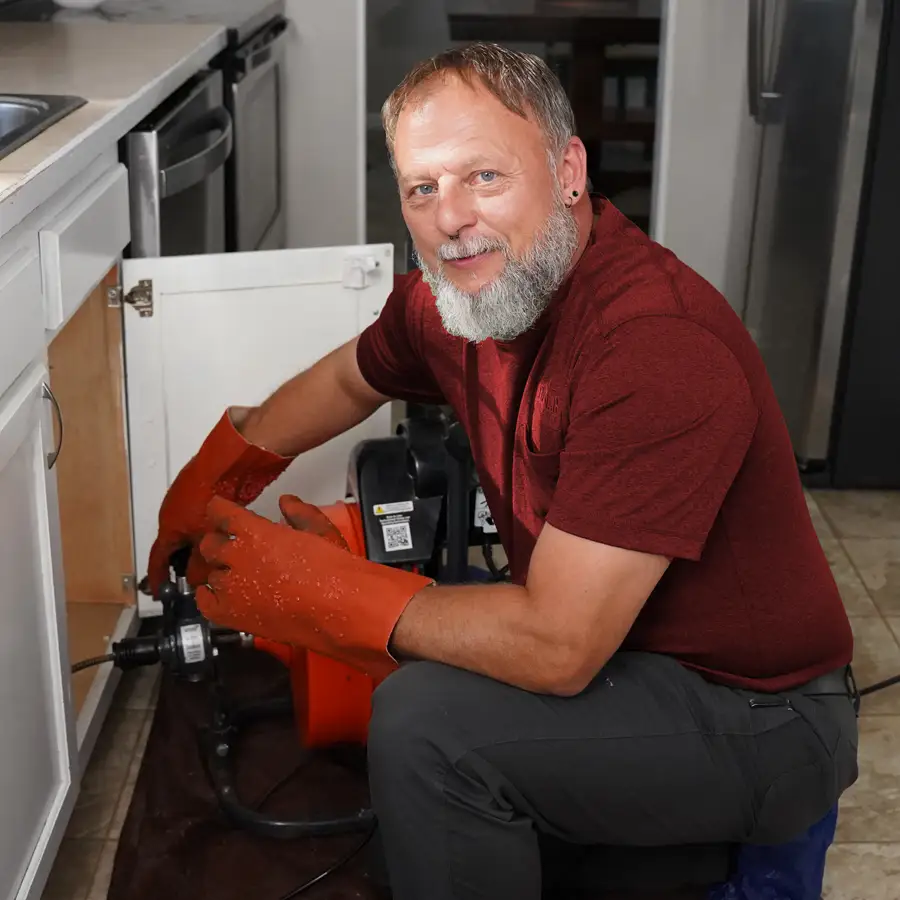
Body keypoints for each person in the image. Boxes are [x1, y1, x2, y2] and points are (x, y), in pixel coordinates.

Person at [145, 43, 860, 900]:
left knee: (426, 725)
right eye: (422, 188)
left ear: (567, 171)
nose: (450, 218)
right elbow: (346, 379)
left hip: (761, 714)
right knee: (438, 672)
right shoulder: (462, 297)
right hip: (628, 663)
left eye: (483, 176)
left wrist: (326, 594)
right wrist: (220, 474)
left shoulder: (654, 344)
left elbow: (557, 647)